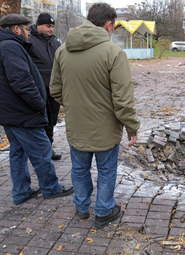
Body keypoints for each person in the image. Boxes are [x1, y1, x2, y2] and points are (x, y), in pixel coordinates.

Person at [50, 3, 141, 229]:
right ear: (109, 24)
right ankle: (103, 211)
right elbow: (122, 100)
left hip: (76, 126)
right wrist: (132, 126)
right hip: (105, 128)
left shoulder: (62, 50)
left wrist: (74, 104)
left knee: (79, 169)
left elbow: (55, 89)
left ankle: (81, 208)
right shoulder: (113, 53)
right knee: (107, 170)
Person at [0, 14, 74, 205]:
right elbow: (21, 81)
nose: (29, 32)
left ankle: (21, 192)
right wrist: (39, 104)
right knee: (41, 150)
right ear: (16, 29)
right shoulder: (10, 47)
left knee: (18, 152)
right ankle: (50, 187)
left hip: (10, 112)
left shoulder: (4, 45)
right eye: (26, 27)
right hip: (22, 112)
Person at [28, 13, 62, 160]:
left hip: (53, 90)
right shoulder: (29, 41)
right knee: (39, 121)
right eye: (48, 26)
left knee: (51, 121)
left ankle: (48, 149)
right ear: (38, 26)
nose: (51, 29)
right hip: (38, 90)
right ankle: (39, 151)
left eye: (52, 27)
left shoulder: (55, 43)